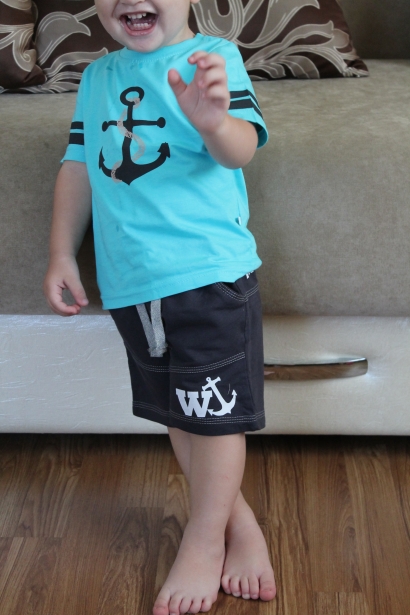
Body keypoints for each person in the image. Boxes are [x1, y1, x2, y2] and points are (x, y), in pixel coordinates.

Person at [43, 0, 276, 613]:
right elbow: (79, 165)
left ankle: (203, 541)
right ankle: (239, 525)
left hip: (207, 276)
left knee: (214, 419)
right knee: (181, 412)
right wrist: (62, 252)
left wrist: (213, 123)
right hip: (133, 286)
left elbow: (240, 150)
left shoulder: (214, 59)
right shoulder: (98, 77)